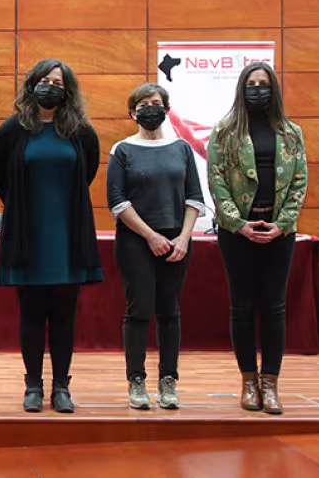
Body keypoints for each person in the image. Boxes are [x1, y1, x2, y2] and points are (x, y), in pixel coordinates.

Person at [0, 59, 103, 414]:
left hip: (67, 234)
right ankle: (33, 385)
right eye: (44, 80)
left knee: (65, 315)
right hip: (27, 233)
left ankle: (62, 387)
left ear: (67, 91)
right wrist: (20, 203)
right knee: (32, 314)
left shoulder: (80, 131)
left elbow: (89, 170)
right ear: (32, 84)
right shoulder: (14, 129)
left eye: (58, 82)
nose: (50, 86)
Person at [206, 62, 307, 415]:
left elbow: (299, 183)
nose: (258, 89)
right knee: (242, 307)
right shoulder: (224, 131)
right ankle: (249, 382)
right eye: (252, 84)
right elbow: (216, 181)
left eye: (264, 84)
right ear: (241, 88)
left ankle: (271, 384)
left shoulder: (292, 132)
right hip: (238, 234)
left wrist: (283, 223)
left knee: (275, 308)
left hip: (279, 232)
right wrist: (238, 223)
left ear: (274, 89)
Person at [107, 83, 205, 410]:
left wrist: (183, 238)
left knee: (170, 311)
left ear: (165, 108)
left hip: (177, 242)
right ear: (133, 112)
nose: (150, 108)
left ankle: (168, 381)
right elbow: (118, 202)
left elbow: (194, 198)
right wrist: (150, 235)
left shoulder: (181, 148)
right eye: (144, 104)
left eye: (156, 102)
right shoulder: (121, 150)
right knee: (138, 311)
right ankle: (136, 380)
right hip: (136, 242)